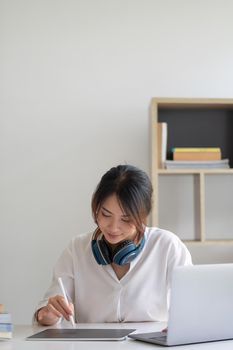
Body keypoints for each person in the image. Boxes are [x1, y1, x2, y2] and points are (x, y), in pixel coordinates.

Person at [35, 164, 192, 325]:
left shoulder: (168, 246)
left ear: (143, 215)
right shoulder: (77, 249)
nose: (113, 227)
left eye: (126, 219)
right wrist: (48, 315)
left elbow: (192, 308)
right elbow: (47, 312)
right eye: (105, 214)